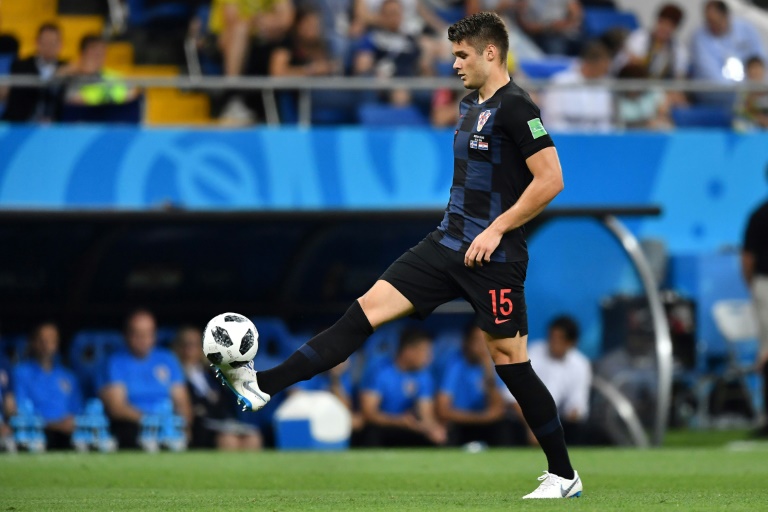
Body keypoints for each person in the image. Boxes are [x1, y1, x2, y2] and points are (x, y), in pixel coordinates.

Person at [215, 12, 582, 499]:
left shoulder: (517, 106)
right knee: (364, 311)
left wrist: (496, 230)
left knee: (510, 362)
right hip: (445, 244)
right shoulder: (469, 105)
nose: (455, 64)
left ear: (491, 53)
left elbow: (551, 180)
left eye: (462, 55)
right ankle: (262, 385)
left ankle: (564, 475)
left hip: (495, 257)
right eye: (454, 55)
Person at [100, 309, 192, 449]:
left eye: (148, 333)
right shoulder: (115, 362)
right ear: (126, 335)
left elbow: (182, 401)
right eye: (137, 333)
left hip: (168, 425)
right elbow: (117, 408)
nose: (143, 339)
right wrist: (152, 421)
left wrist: (183, 425)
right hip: (135, 426)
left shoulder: (167, 359)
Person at [504, 316, 592, 446]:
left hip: (557, 423)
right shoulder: (532, 353)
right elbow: (513, 398)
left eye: (560, 339)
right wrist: (532, 428)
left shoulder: (580, 364)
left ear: (571, 342)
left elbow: (576, 408)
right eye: (552, 337)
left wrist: (550, 431)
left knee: (580, 430)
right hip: (524, 419)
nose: (553, 343)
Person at [173, 326, 262, 451]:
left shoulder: (211, 373)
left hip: (222, 421)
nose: (190, 350)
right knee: (228, 440)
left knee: (253, 438)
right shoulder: (176, 374)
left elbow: (224, 399)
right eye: (186, 345)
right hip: (200, 425)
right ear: (178, 347)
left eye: (195, 345)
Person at [359, 328, 445, 446]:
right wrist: (398, 421)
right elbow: (368, 413)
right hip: (381, 430)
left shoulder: (424, 376)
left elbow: (426, 414)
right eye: (425, 352)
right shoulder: (380, 372)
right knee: (371, 433)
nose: (429, 358)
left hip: (408, 430)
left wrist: (433, 429)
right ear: (409, 351)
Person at [13, 322, 82, 449]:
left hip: (67, 435)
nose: (46, 345)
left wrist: (71, 422)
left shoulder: (68, 377)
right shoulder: (21, 373)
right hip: (35, 434)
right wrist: (54, 425)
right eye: (42, 341)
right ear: (33, 343)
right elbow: (19, 410)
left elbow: (77, 410)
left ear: (57, 344)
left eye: (51, 341)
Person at [436, 325, 507, 446]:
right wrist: (480, 418)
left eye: (486, 341)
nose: (482, 346)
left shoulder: (493, 366)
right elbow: (442, 410)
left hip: (486, 424)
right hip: (460, 423)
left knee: (504, 427)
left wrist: (487, 368)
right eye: (477, 340)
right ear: (466, 342)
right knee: (446, 430)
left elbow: (498, 409)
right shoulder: (455, 365)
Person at [690, 1, 766, 107]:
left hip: (752, 92)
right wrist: (745, 90)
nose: (712, 26)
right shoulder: (700, 38)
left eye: (715, 21)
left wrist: (756, 84)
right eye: (709, 21)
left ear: (726, 16)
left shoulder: (747, 29)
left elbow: (760, 59)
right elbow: (712, 76)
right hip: (719, 97)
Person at [352, 0, 426, 105]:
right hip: (384, 82)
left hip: (409, 81)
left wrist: (424, 70)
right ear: (381, 16)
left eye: (396, 13)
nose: (393, 18)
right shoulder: (372, 38)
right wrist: (375, 70)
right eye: (389, 14)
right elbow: (361, 67)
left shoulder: (411, 39)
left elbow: (423, 66)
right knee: (399, 94)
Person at [542, 40, 614, 132]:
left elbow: (606, 122)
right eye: (603, 68)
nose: (605, 73)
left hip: (597, 138)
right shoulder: (560, 82)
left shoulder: (606, 87)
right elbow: (552, 119)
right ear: (589, 64)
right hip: (564, 137)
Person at [742, 187, 768, 438]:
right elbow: (748, 258)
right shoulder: (760, 215)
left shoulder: (758, 213)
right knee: (767, 351)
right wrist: (755, 286)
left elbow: (747, 259)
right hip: (765, 284)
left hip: (763, 285)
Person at [1, 23, 66, 122]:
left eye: (53, 43)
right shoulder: (20, 66)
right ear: (37, 42)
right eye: (46, 42)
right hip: (22, 123)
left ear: (61, 45)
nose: (49, 47)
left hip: (56, 124)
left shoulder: (67, 67)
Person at [59, 34, 139, 107]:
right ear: (82, 54)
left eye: (102, 52)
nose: (99, 57)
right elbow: (73, 100)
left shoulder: (112, 76)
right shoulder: (71, 77)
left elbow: (133, 92)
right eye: (94, 52)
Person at [620, 3, 687, 80]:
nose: (664, 28)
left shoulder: (679, 49)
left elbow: (680, 75)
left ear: (675, 28)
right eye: (662, 22)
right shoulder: (639, 38)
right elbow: (630, 65)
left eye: (669, 26)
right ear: (657, 21)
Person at [615, 63, 671, 130]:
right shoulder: (617, 99)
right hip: (629, 131)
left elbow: (664, 114)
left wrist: (657, 121)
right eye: (631, 81)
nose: (634, 86)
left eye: (636, 80)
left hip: (652, 132)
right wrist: (644, 123)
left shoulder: (654, 92)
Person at [515, 0, 582, 56]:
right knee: (555, 47)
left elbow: (575, 12)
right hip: (541, 34)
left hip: (567, 31)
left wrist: (565, 25)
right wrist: (549, 27)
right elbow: (525, 24)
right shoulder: (528, 2)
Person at [734, 56, 768, 131]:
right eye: (753, 68)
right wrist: (761, 119)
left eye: (758, 68)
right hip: (750, 125)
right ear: (747, 71)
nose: (756, 71)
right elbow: (742, 110)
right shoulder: (742, 90)